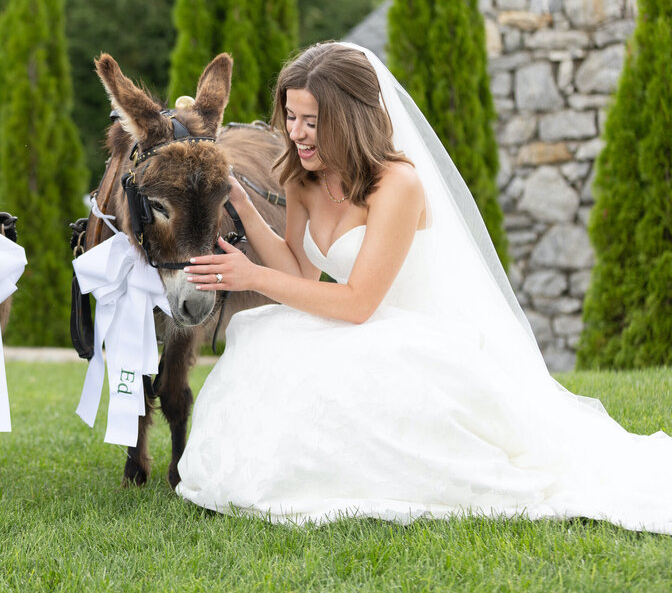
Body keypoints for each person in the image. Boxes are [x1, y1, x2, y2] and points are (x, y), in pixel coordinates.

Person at [177, 41, 672, 533]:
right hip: (356, 326)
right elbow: (302, 274)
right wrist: (239, 201)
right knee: (267, 342)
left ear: (349, 119)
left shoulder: (398, 184)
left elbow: (359, 304)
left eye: (313, 121)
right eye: (291, 116)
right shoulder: (303, 176)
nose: (298, 134)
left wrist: (252, 277)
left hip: (419, 334)